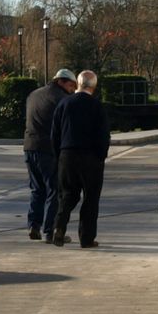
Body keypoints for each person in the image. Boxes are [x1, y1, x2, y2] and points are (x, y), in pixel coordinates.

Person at [49, 69, 110, 249]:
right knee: (90, 198)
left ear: (78, 84)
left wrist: (58, 155)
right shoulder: (97, 106)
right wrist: (101, 156)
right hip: (91, 157)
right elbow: (103, 135)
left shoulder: (64, 104)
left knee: (67, 195)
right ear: (94, 86)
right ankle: (86, 238)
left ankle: (58, 228)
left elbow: (55, 133)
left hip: (67, 154)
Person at [22, 68, 78, 240]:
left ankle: (34, 226)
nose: (72, 90)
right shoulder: (62, 99)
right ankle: (50, 230)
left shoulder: (34, 94)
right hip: (48, 150)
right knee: (55, 189)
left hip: (30, 147)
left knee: (37, 189)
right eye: (71, 85)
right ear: (61, 81)